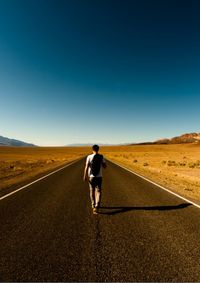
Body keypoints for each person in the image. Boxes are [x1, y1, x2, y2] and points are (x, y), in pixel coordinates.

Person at [84, 144, 107, 214]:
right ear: (98, 149)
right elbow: (105, 167)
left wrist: (84, 175)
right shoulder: (101, 157)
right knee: (99, 191)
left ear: (92, 149)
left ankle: (93, 205)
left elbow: (86, 166)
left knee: (92, 190)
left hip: (91, 177)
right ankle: (97, 206)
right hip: (99, 177)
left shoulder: (89, 157)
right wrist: (102, 163)